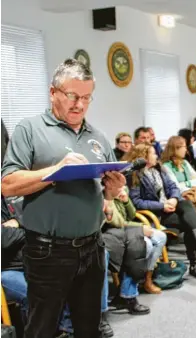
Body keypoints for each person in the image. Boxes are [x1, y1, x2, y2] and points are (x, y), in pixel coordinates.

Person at [1, 59, 125, 338]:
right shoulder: (30, 130)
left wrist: (113, 190)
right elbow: (7, 185)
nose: (79, 104)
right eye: (72, 96)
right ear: (53, 92)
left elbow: (107, 191)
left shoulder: (98, 137)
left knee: (89, 329)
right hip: (48, 251)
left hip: (92, 248)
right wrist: (56, 171)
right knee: (41, 329)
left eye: (86, 98)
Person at [124, 143, 196, 279]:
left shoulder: (158, 169)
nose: (156, 155)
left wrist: (173, 199)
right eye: (153, 153)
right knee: (189, 223)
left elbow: (173, 187)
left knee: (186, 204)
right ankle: (195, 260)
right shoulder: (134, 175)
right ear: (144, 157)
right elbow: (137, 202)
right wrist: (162, 206)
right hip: (155, 214)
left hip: (169, 207)